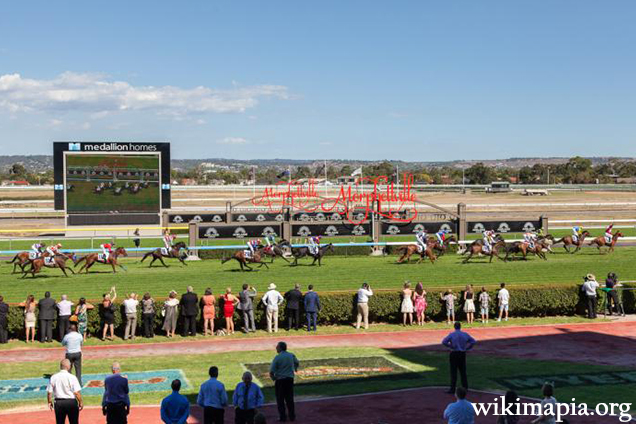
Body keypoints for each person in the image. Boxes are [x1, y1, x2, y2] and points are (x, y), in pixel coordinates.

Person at [442, 322, 476, 394]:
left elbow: (444, 341)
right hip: (462, 354)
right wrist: (467, 348)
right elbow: (473, 341)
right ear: (460, 327)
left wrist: (450, 346)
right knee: (463, 371)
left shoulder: (452, 334)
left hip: (454, 353)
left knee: (453, 372)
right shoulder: (465, 334)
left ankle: (452, 389)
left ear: (454, 327)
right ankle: (465, 387)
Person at [270, 342, 299, 422]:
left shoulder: (277, 357)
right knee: (290, 399)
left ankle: (283, 417)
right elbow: (297, 362)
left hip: (280, 381)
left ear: (280, 348)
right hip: (289, 380)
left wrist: (273, 378)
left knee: (280, 400)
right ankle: (292, 416)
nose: (276, 348)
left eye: (277, 346)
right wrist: (295, 369)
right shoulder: (291, 355)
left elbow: (271, 371)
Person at [47, 359, 83, 424]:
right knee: (74, 422)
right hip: (71, 402)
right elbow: (76, 392)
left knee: (60, 422)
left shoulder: (54, 377)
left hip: (59, 403)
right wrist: (80, 402)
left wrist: (49, 402)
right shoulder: (72, 377)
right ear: (68, 367)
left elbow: (49, 392)